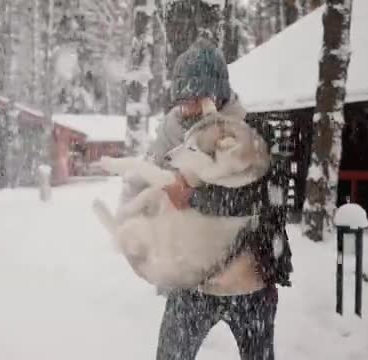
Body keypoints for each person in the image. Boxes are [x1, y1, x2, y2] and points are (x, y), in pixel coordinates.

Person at [118, 38, 293, 360]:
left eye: (195, 98)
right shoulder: (170, 136)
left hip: (249, 283)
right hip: (192, 285)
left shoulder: (253, 133)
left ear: (217, 94)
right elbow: (141, 181)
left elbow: (261, 199)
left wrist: (194, 196)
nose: (187, 108)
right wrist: (132, 229)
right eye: (182, 99)